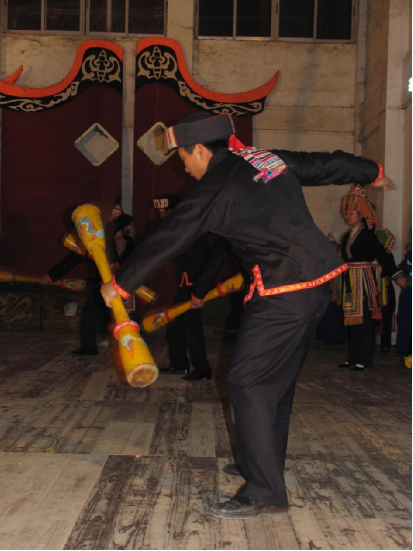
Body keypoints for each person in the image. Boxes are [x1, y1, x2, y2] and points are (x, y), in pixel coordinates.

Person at [101, 113, 396, 520]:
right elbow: (323, 164)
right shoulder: (265, 158)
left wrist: (121, 283)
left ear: (200, 150)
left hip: (284, 290)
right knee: (276, 383)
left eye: (183, 158)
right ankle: (265, 467)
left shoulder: (216, 185)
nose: (184, 167)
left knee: (246, 380)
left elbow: (170, 236)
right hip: (316, 283)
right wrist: (372, 171)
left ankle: (264, 491)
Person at [42, 200, 134, 357]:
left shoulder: (130, 245)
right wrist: (50, 276)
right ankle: (89, 348)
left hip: (125, 286)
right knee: (91, 313)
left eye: (117, 229)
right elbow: (72, 260)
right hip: (104, 285)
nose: (116, 232)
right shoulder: (100, 243)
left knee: (125, 317)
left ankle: (131, 348)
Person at [338, 187, 406, 371]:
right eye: (347, 213)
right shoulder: (346, 237)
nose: (347, 216)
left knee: (365, 320)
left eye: (351, 213)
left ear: (361, 215)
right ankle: (352, 358)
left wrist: (396, 275)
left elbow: (382, 255)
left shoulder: (367, 235)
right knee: (352, 319)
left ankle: (364, 359)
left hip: (363, 280)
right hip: (350, 280)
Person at [153, 194, 212, 381]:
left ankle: (202, 369)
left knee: (192, 328)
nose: (162, 216)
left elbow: (201, 260)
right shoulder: (185, 227)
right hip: (188, 284)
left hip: (194, 285)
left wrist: (199, 290)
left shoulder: (189, 229)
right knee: (176, 323)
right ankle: (179, 364)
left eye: (164, 212)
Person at [376, 229, 397, 353]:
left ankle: (384, 344)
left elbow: (392, 272)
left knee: (385, 315)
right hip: (377, 288)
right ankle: (380, 343)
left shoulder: (386, 255)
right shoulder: (374, 254)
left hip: (384, 288)